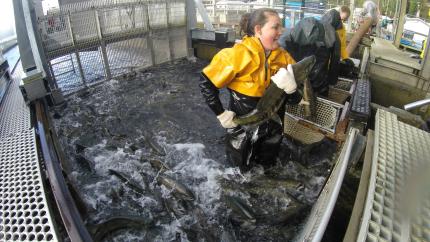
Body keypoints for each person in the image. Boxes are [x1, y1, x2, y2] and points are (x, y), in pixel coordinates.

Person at [199, 8, 302, 171]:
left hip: (273, 131)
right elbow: (206, 83)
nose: (281, 32)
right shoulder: (235, 56)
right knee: (238, 173)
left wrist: (292, 89)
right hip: (242, 131)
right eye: (275, 27)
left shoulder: (286, 59)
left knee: (267, 170)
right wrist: (221, 113)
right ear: (258, 30)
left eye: (281, 27)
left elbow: (297, 100)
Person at [280, 11, 341, 96]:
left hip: (297, 79)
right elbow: (335, 60)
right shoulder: (334, 34)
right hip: (318, 81)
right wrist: (332, 81)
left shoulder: (292, 31)